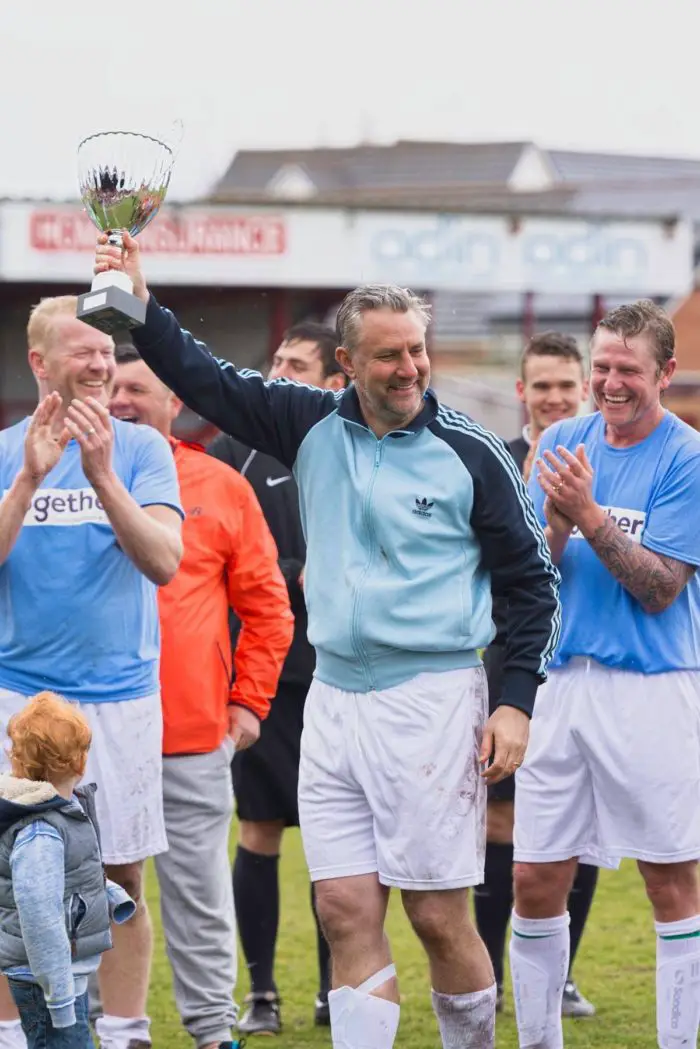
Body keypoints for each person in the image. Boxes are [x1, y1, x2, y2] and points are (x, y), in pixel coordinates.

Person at [94, 231, 560, 1049]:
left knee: (436, 914)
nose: (409, 368)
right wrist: (139, 297)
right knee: (344, 907)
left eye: (416, 349)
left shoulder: (472, 451)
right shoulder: (304, 421)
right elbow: (202, 373)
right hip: (335, 702)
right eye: (387, 356)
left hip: (435, 697)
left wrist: (515, 701)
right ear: (347, 362)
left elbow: (533, 587)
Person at [509, 299, 700, 1049]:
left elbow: (659, 588)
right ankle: (537, 1040)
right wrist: (555, 521)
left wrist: (586, 512)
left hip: (653, 688)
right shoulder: (561, 439)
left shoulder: (685, 458)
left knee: (671, 878)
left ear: (666, 372)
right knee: (533, 877)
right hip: (562, 683)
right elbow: (531, 575)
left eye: (629, 369)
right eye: (604, 368)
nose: (610, 384)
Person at [0, 296, 183, 1049]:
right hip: (20, 696)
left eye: (108, 352)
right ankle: (15, 1032)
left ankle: (125, 1029)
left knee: (119, 876)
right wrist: (28, 483)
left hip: (119, 701)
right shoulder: (9, 448)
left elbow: (165, 561)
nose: (103, 363)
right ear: (41, 363)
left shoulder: (142, 450)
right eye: (85, 351)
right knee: (11, 880)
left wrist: (104, 477)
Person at [109, 346, 293, 1049]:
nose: (122, 399)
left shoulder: (217, 484)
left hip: (190, 732)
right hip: (89, 734)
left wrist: (247, 704)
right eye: (112, 386)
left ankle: (213, 1031)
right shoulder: (65, 476)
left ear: (172, 401)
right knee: (97, 892)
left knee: (198, 894)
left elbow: (269, 606)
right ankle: (117, 1028)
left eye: (138, 387)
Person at [208, 322, 346, 1035]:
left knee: (337, 840)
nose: (277, 372)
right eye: (276, 361)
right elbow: (222, 562)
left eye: (295, 364)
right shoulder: (235, 453)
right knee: (259, 829)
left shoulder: (356, 449)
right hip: (262, 681)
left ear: (332, 380)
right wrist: (289, 575)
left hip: (341, 680)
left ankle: (336, 986)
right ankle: (262, 992)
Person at [474, 331, 599, 1018]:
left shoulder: (608, 463)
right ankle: (490, 969)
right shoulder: (497, 463)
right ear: (521, 391)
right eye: (541, 385)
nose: (554, 396)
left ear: (583, 388)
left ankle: (564, 972)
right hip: (516, 664)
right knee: (502, 821)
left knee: (584, 831)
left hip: (593, 672)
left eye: (565, 385)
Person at [0, 691, 136, 1049]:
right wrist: (58, 997)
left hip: (60, 973)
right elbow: (40, 915)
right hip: (46, 980)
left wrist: (111, 895)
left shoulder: (63, 811)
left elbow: (74, 876)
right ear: (79, 762)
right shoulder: (41, 831)